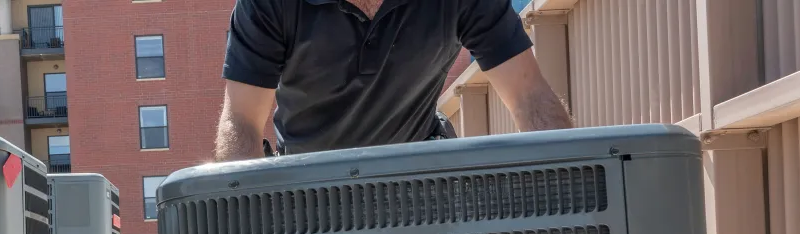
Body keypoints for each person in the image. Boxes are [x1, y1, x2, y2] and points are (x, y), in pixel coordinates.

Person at [214, 0, 574, 161]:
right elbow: (241, 123)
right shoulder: (268, 4)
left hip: (418, 177)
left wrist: (573, 188)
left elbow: (530, 96)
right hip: (308, 188)